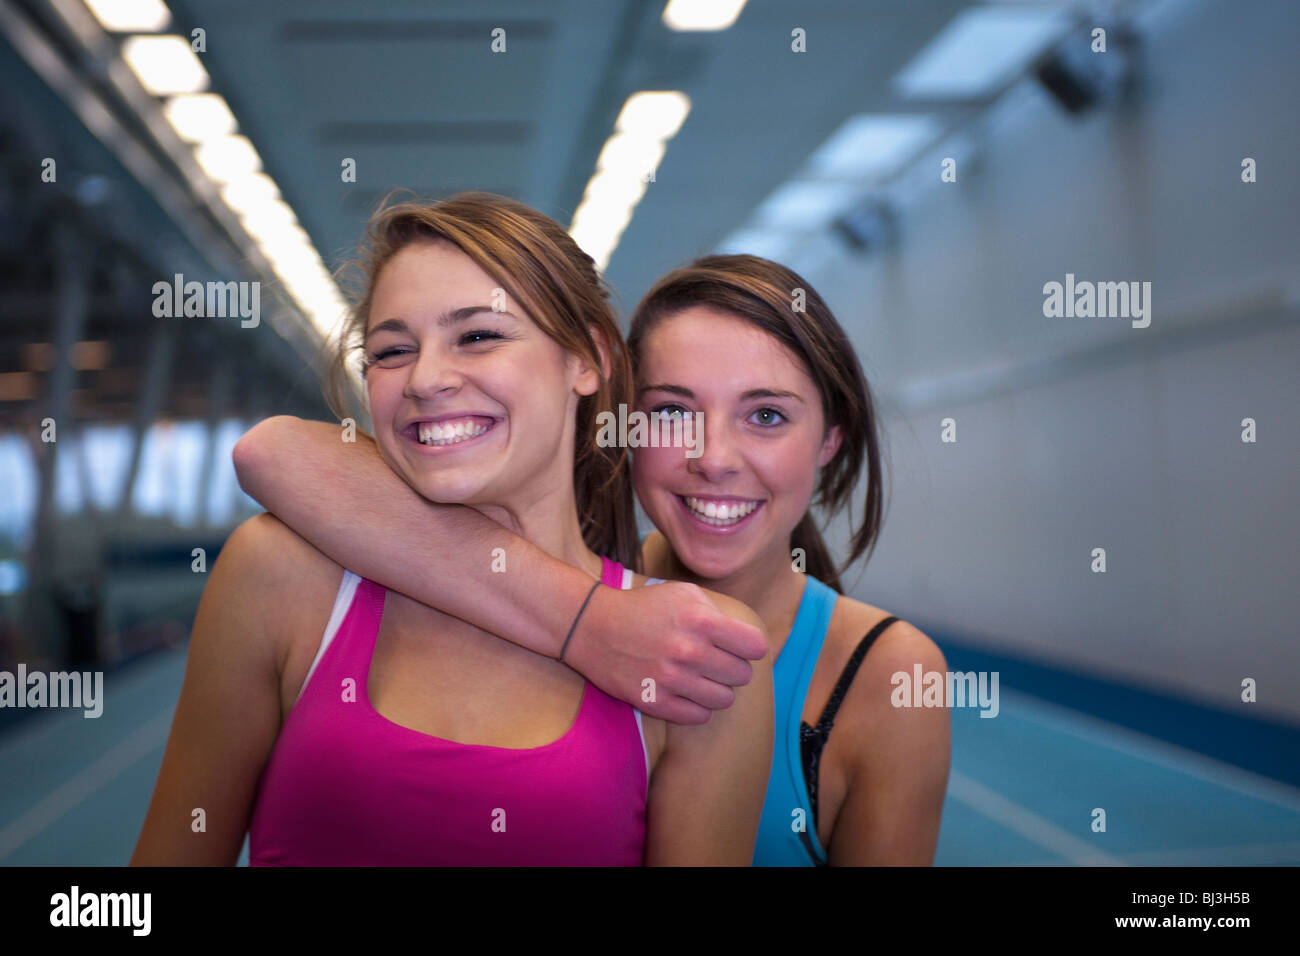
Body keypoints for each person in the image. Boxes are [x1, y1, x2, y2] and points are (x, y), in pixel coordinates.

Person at [234, 253, 950, 866]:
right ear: (621, 419)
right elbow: (274, 452)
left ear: (830, 439)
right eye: (672, 411)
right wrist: (591, 618)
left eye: (766, 416)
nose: (714, 459)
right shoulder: (568, 576)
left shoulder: (889, 676)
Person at [130, 193, 773, 866]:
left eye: (478, 336)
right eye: (391, 350)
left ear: (588, 358)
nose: (426, 379)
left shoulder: (695, 656)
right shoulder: (282, 577)